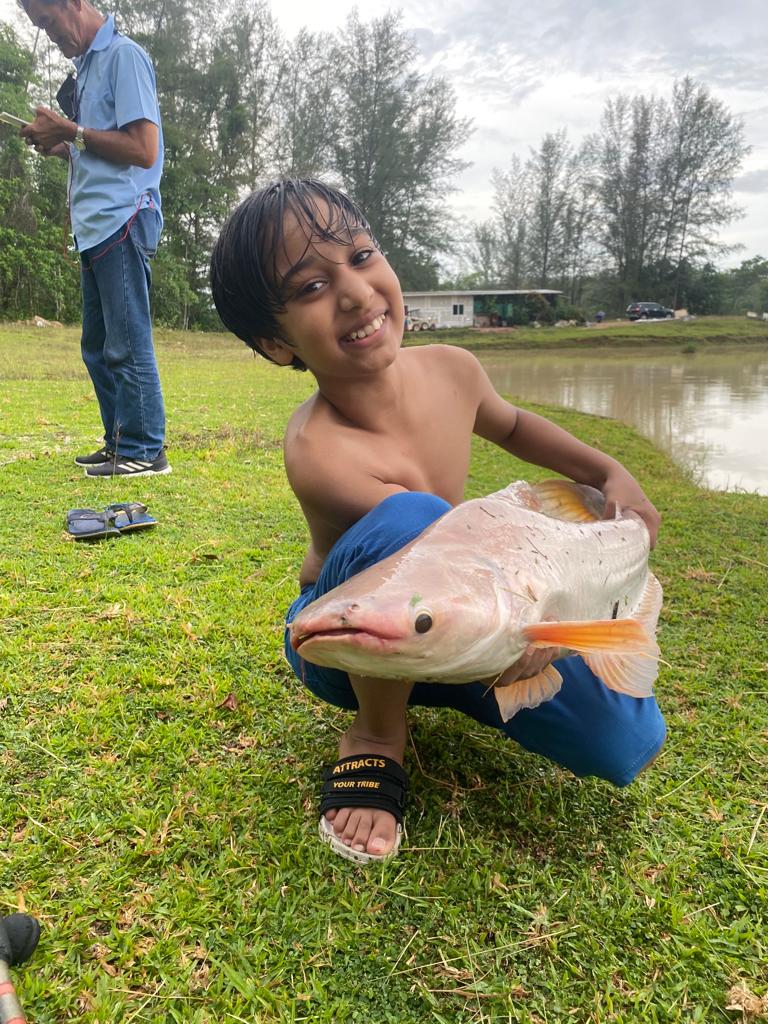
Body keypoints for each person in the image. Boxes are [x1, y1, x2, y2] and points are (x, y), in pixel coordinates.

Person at [210, 179, 666, 864]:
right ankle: (376, 734)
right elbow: (424, 549)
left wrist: (606, 474)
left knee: (627, 741)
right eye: (310, 287)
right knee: (414, 519)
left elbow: (515, 426)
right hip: (354, 645)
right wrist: (522, 619)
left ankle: (463, 681)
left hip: (468, 618)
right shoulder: (319, 450)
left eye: (362, 255)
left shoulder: (454, 369)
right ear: (276, 343)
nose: (357, 292)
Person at [19, 0, 170, 477]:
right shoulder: (88, 66)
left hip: (123, 217)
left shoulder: (124, 56)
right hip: (95, 223)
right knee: (98, 345)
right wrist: (61, 144)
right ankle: (120, 441)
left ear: (72, 4)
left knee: (126, 341)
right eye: (39, 28)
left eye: (48, 22)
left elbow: (144, 150)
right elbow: (96, 147)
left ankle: (146, 450)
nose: (49, 35)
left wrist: (73, 130)